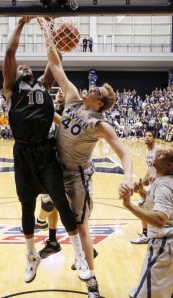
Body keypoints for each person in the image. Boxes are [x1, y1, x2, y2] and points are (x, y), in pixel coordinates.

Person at [38, 17, 133, 297]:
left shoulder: (100, 124)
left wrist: (127, 177)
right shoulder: (72, 97)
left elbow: (124, 151)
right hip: (56, 168)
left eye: (97, 90)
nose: (91, 87)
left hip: (77, 177)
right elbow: (55, 64)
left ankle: (92, 284)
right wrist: (46, 29)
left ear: (100, 102)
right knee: (48, 204)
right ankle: (51, 233)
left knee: (81, 226)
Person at [3, 17, 91, 284]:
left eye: (26, 68)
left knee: (61, 203)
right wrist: (20, 24)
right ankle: (31, 257)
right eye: (20, 69)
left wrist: (50, 28)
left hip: (45, 149)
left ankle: (80, 256)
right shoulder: (11, 87)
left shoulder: (43, 84)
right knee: (27, 206)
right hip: (23, 152)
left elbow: (56, 58)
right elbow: (10, 53)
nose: (24, 67)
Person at [120, 149, 173, 298]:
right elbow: (158, 203)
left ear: (169, 165)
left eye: (161, 155)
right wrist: (143, 192)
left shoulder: (164, 186)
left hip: (164, 247)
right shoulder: (164, 182)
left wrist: (129, 205)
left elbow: (160, 219)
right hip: (168, 245)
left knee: (142, 295)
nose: (157, 154)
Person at [130, 131, 160, 244]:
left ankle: (147, 234)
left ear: (154, 139)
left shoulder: (158, 150)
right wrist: (145, 178)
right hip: (153, 183)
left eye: (150, 136)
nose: (147, 137)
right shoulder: (148, 151)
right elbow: (150, 168)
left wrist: (157, 178)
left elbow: (165, 167)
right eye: (146, 135)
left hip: (160, 183)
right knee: (144, 205)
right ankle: (149, 233)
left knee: (143, 204)